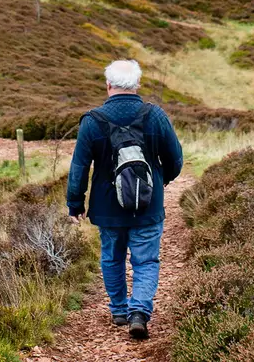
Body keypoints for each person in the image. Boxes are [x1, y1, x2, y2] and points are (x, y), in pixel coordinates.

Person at [67, 59, 183, 340]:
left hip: (107, 207)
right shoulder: (155, 115)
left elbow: (79, 167)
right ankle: (139, 312)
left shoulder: (92, 121)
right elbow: (175, 159)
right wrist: (161, 180)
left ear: (108, 85)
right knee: (146, 261)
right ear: (137, 84)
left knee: (112, 257)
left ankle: (119, 310)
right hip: (148, 204)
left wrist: (75, 203)